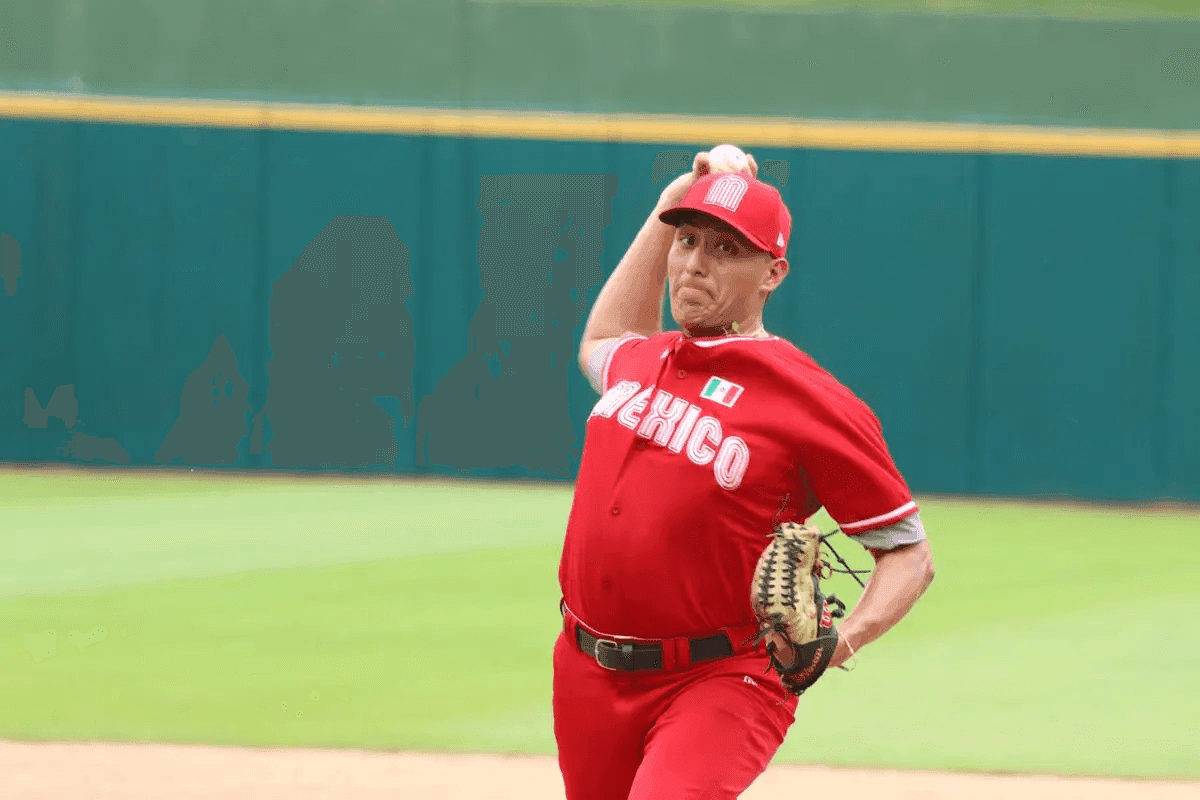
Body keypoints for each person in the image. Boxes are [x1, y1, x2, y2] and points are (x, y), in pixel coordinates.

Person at [553, 150, 936, 799]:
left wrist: (842, 642)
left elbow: (909, 553)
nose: (696, 262)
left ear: (773, 273)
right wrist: (675, 194)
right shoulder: (644, 357)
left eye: (726, 249)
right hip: (586, 670)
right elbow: (604, 335)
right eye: (688, 241)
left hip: (720, 678)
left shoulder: (810, 400)